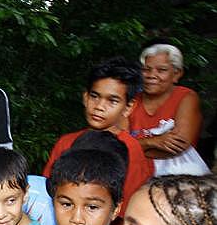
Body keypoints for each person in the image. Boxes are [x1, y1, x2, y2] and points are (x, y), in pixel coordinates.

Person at [43, 57, 152, 216]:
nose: (99, 107)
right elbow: (47, 192)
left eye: (112, 101)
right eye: (95, 96)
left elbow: (129, 206)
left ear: (128, 107)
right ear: (85, 97)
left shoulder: (130, 148)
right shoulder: (66, 142)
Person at [129, 43, 209, 176]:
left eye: (161, 70)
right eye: (146, 69)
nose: (151, 75)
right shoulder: (130, 100)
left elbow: (177, 146)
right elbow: (116, 144)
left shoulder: (186, 97)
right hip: (135, 176)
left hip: (178, 177)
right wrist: (153, 141)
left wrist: (134, 148)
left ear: (177, 74)